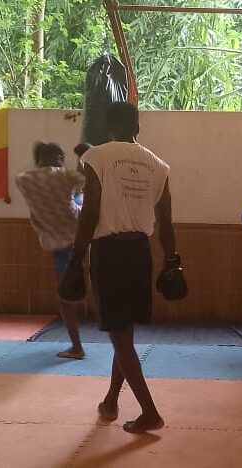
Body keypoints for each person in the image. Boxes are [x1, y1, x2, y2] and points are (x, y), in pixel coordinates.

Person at [69, 102, 177, 433]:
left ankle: (149, 412)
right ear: (137, 128)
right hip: (141, 253)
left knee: (120, 336)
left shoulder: (96, 157)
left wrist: (76, 258)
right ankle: (111, 401)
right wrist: (172, 260)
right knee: (124, 331)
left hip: (111, 252)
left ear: (107, 126)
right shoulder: (158, 165)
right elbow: (166, 221)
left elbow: (89, 212)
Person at [15, 142, 85, 359]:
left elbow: (35, 176)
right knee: (99, 293)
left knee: (66, 299)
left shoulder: (24, 180)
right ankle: (116, 343)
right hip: (84, 237)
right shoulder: (64, 176)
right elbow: (87, 180)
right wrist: (83, 158)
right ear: (59, 157)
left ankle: (76, 346)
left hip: (58, 245)